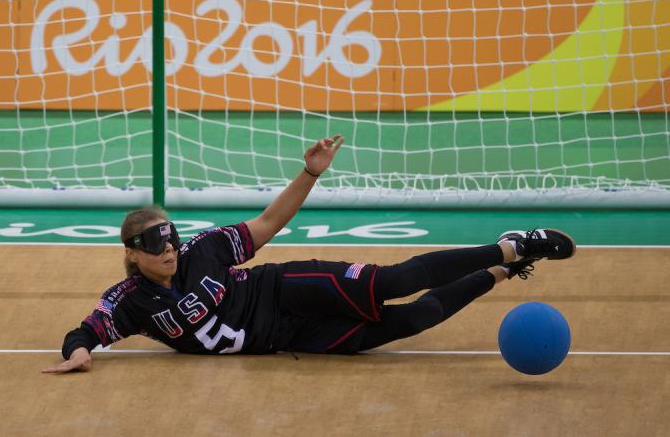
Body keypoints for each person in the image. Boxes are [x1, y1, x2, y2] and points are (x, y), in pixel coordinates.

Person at [42, 134, 576, 373]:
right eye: (157, 242)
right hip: (286, 337)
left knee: (391, 282)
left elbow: (270, 223)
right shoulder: (130, 301)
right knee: (407, 322)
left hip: (282, 288)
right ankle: (502, 271)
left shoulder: (205, 250)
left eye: (172, 234)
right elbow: (85, 332)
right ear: (133, 254)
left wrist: (310, 173)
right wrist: (80, 353)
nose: (171, 247)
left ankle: (513, 243)